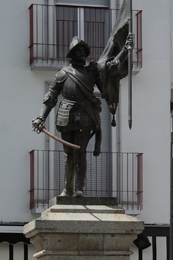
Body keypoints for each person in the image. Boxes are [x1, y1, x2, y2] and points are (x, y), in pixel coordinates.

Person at [32, 33, 132, 197]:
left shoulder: (92, 71)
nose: (81, 53)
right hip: (66, 116)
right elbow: (50, 98)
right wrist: (41, 117)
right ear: (71, 54)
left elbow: (112, 67)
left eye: (82, 50)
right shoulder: (62, 74)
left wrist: (125, 50)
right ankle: (68, 189)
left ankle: (79, 189)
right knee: (68, 154)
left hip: (85, 116)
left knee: (81, 152)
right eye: (77, 50)